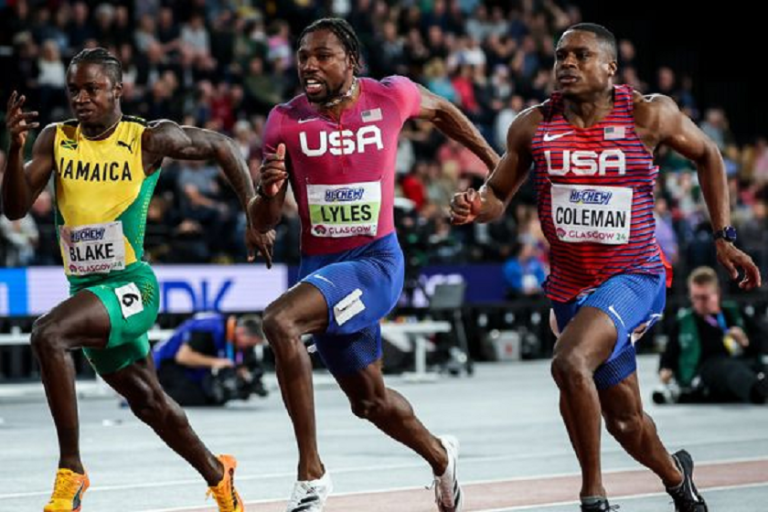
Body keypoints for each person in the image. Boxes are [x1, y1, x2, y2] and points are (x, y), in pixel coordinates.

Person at [450, 23, 761, 512]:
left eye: (580, 55)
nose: (566, 64)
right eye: (559, 56)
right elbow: (498, 195)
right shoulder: (532, 125)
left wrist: (724, 238)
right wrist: (476, 205)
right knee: (625, 421)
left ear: (610, 67)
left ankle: (592, 497)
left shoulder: (648, 114)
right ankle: (679, 479)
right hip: (571, 287)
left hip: (634, 276)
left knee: (569, 361)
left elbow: (710, 155)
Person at [1, 47, 272, 512]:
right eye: (73, 90)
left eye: (92, 89)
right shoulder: (55, 139)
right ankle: (219, 475)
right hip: (87, 292)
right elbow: (14, 208)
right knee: (151, 404)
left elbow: (224, 146)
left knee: (48, 333)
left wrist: (253, 213)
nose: (81, 99)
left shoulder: (147, 138)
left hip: (131, 286)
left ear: (118, 90)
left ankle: (72, 471)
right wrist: (16, 148)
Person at [248, 18, 499, 512]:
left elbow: (444, 110)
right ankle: (441, 457)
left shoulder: (390, 97)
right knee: (369, 402)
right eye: (303, 57)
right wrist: (268, 191)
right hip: (320, 269)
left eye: (323, 56)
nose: (309, 65)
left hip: (375, 262)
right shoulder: (284, 120)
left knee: (279, 321)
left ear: (352, 63)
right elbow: (263, 219)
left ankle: (311, 476)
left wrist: (496, 165)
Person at [656, 266, 767, 404]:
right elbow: (667, 356)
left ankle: (759, 386)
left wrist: (746, 342)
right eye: (695, 297)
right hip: (705, 372)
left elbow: (762, 341)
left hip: (741, 363)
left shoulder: (735, 312)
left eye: (704, 297)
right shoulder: (683, 322)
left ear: (717, 293)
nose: (699, 302)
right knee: (725, 368)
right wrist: (664, 370)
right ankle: (758, 391)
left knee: (758, 366)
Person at [153, 312, 268, 406]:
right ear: (241, 332)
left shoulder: (231, 333)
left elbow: (244, 363)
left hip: (189, 369)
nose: (249, 349)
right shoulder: (208, 328)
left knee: (215, 397)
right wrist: (217, 362)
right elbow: (183, 357)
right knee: (198, 397)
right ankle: (153, 394)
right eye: (249, 345)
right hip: (164, 365)